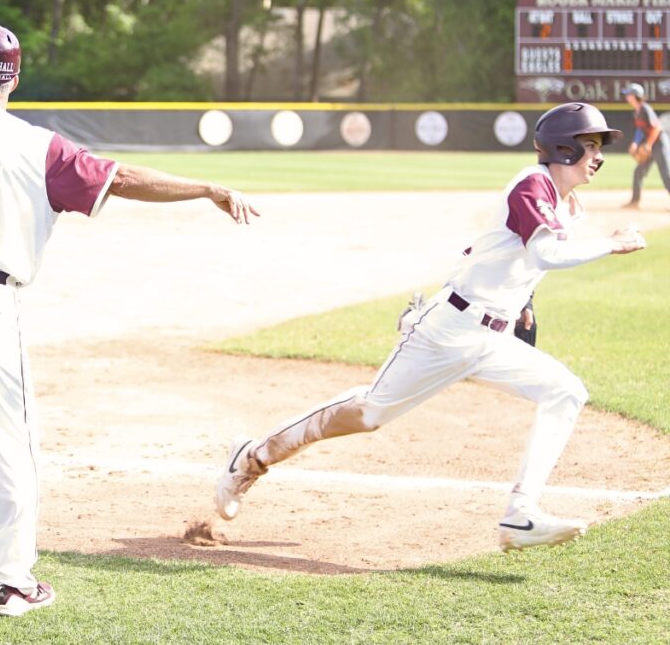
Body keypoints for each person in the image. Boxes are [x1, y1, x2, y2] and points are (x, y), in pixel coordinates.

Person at [0, 22, 258, 616]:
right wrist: (204, 187)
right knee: (11, 448)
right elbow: (121, 179)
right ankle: (14, 582)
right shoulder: (37, 144)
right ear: (15, 78)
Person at [215, 102, 646, 553]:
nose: (598, 156)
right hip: (448, 330)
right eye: (591, 145)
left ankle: (520, 515)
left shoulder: (569, 205)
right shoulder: (531, 183)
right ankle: (251, 457)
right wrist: (611, 245)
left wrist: (524, 303)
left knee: (566, 391)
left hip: (490, 337)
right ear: (563, 147)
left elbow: (506, 256)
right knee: (368, 413)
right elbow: (544, 255)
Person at [621, 82, 670, 209]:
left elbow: (657, 128)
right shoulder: (637, 111)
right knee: (638, 172)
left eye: (629, 94)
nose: (627, 96)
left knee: (666, 174)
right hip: (650, 146)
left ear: (634, 95)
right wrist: (635, 143)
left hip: (659, 144)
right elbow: (641, 130)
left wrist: (648, 144)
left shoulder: (645, 108)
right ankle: (635, 201)